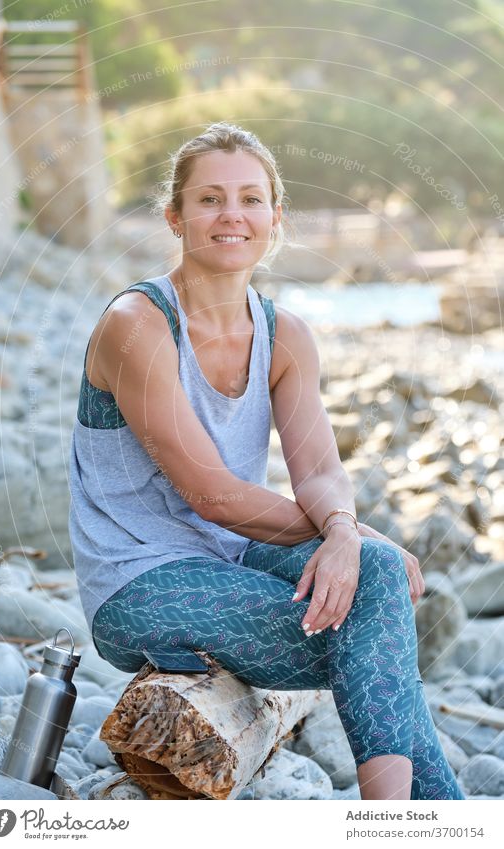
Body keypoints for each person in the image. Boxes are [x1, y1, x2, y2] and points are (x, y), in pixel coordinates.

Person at [68, 121, 465, 801]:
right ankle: (407, 823)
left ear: (275, 217)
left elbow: (316, 470)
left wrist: (344, 528)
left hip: (233, 557)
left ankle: (404, 822)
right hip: (139, 580)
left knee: (371, 596)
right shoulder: (137, 325)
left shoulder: (286, 335)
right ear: (174, 215)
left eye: (251, 199)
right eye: (209, 199)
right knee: (375, 635)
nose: (232, 215)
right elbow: (214, 496)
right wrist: (349, 534)